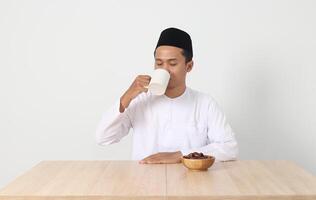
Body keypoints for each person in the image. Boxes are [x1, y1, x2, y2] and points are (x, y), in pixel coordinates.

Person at [96, 27, 238, 164]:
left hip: (192, 183)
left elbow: (229, 148)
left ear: (189, 66)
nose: (165, 70)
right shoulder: (140, 100)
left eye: (172, 63)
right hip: (144, 181)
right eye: (159, 63)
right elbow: (103, 138)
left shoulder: (205, 103)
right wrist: (126, 97)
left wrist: (181, 155)